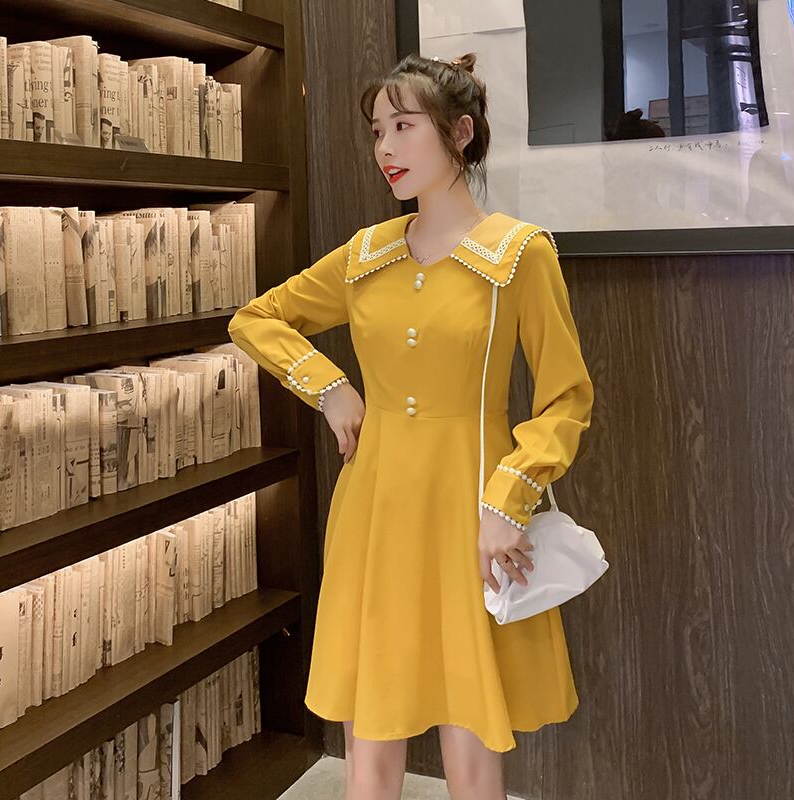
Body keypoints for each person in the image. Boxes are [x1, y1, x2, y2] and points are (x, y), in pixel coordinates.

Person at [228, 51, 594, 800]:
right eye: (376, 132)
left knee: (468, 723)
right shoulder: (367, 256)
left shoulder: (518, 256)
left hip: (473, 507)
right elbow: (256, 319)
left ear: (459, 133)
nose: (385, 148)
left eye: (403, 126)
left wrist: (508, 500)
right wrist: (330, 389)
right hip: (376, 507)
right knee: (372, 719)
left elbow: (566, 398)